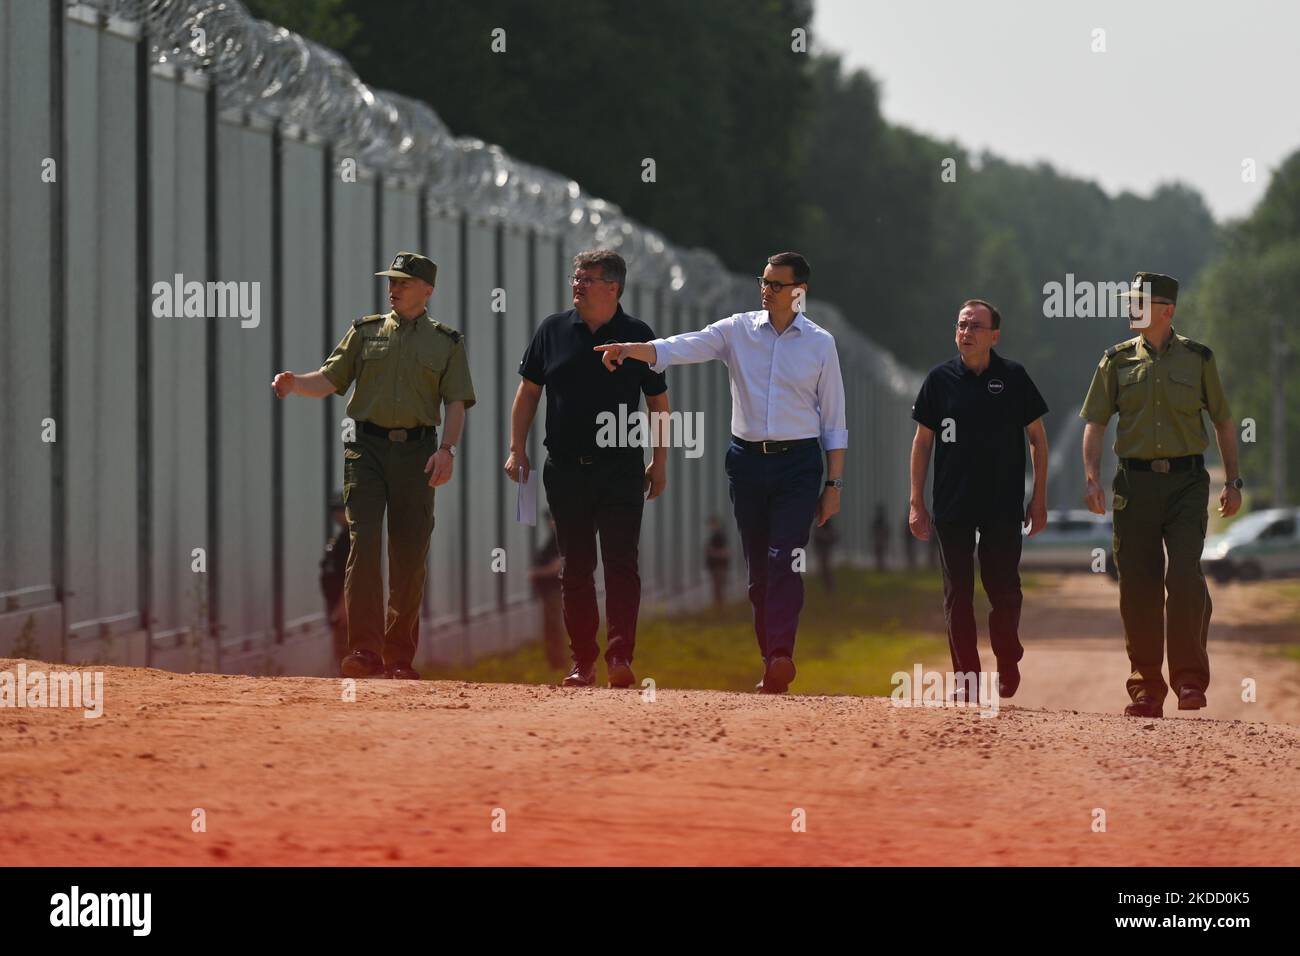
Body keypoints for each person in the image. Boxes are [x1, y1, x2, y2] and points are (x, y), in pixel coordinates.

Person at [596, 251, 846, 695]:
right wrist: (631, 350)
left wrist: (833, 484)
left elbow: (833, 421)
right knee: (757, 570)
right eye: (763, 281)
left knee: (783, 557)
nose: (766, 290)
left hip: (799, 465)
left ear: (799, 293)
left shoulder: (820, 344)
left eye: (776, 285)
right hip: (747, 462)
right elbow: (681, 346)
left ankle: (783, 652)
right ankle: (771, 660)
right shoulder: (737, 330)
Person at [272, 251, 475, 680]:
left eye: (403, 282)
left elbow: (455, 402)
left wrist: (448, 450)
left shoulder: (446, 343)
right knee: (363, 546)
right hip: (365, 450)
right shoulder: (365, 333)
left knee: (408, 554)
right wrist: (295, 384)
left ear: (427, 290)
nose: (393, 288)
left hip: (419, 454)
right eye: (391, 281)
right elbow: (329, 379)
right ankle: (364, 651)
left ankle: (399, 657)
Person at [505, 250, 669, 689]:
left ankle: (620, 658)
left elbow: (657, 401)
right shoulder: (552, 331)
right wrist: (516, 449)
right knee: (575, 568)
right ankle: (582, 662)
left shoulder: (636, 336)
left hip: (621, 469)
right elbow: (528, 392)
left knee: (621, 564)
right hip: (565, 470)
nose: (576, 284)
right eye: (575, 277)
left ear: (612, 287)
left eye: (587, 279)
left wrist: (661, 460)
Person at [1080, 271, 1240, 718]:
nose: (1132, 307)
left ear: (1167, 311)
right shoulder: (1114, 361)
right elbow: (1095, 422)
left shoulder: (1198, 359)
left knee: (1185, 576)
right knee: (1138, 587)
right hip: (1134, 486)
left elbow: (1224, 422)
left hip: (1188, 484)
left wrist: (1233, 481)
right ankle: (1147, 687)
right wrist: (1091, 477)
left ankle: (1189, 680)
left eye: (1141, 301)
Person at [909, 299, 1049, 702]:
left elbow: (1038, 440)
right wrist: (916, 502)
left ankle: (1007, 658)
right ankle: (965, 678)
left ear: (994, 336)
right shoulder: (939, 381)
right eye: (961, 325)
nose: (966, 332)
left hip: (1003, 505)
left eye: (975, 326)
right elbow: (922, 444)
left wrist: (1038, 500)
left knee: (1003, 588)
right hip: (952, 504)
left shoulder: (1014, 377)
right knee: (958, 593)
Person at [529, 511, 566, 670]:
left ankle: (558, 661)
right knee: (550, 626)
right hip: (548, 591)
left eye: (550, 520)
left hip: (554, 590)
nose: (549, 523)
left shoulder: (559, 540)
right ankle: (555, 661)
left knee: (554, 626)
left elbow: (558, 565)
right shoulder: (553, 539)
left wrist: (537, 573)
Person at [319, 491, 350, 667]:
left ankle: (352, 691)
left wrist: (343, 604)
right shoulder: (341, 537)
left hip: (344, 605)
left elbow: (350, 575)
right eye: (335, 510)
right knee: (341, 650)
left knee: (346, 650)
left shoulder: (350, 539)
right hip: (337, 601)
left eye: (341, 509)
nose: (337, 514)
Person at [704, 516, 731, 608]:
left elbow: (725, 552)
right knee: (717, 588)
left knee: (718, 588)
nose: (711, 526)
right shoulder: (716, 535)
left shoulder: (719, 536)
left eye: (712, 524)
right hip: (716, 567)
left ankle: (720, 606)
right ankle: (719, 606)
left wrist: (712, 552)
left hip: (719, 567)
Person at [870, 503, 890, 572]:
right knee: (879, 556)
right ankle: (880, 567)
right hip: (879, 541)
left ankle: (880, 567)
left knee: (881, 556)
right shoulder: (879, 521)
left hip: (880, 541)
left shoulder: (880, 521)